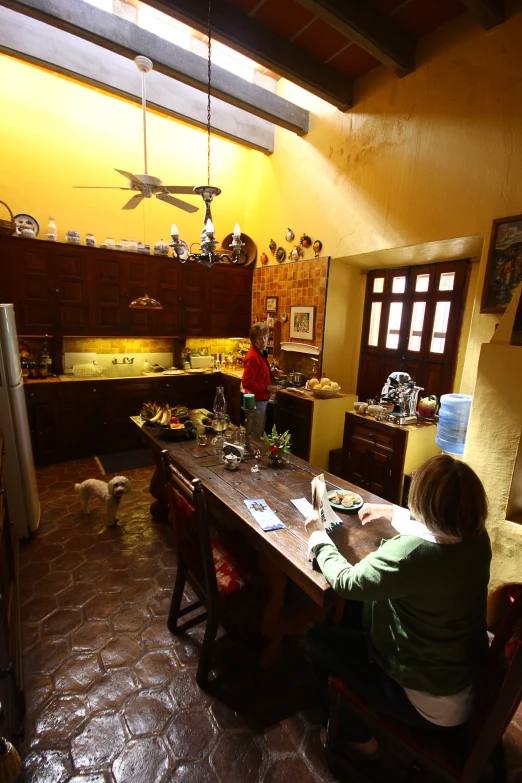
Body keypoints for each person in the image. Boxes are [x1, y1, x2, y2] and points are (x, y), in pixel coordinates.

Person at [304, 454, 491, 761]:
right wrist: (390, 512)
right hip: (462, 682)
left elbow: (347, 581)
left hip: (424, 701)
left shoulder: (413, 556)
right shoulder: (478, 541)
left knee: (314, 642)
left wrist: (318, 540)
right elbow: (439, 527)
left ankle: (356, 736)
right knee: (353, 612)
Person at [242, 322, 282, 438]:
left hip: (260, 400)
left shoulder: (260, 353)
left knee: (257, 431)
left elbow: (260, 373)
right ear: (253, 340)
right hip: (255, 401)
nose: (264, 341)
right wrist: (267, 388)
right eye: (260, 338)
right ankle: (252, 455)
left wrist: (271, 372)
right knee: (254, 434)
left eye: (265, 337)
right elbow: (246, 382)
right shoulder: (253, 357)